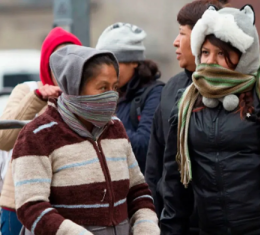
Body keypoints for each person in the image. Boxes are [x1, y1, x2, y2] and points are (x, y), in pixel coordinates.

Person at [160, 5, 260, 235]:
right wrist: (171, 229)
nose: (211, 61)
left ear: (243, 55)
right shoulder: (187, 103)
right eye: (205, 53)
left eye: (222, 54)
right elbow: (175, 181)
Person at [12, 45, 159, 235]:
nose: (111, 96)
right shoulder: (37, 135)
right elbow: (31, 207)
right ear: (75, 88)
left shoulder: (116, 128)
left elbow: (138, 190)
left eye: (115, 87)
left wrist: (146, 228)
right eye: (103, 87)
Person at [145, 0, 228, 219]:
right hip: (176, 218)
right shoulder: (171, 89)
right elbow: (155, 162)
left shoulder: (239, 91)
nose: (175, 42)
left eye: (182, 34)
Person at [0, 27, 82, 235]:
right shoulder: (27, 90)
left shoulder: (86, 98)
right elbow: (3, 139)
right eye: (58, 60)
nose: (65, 67)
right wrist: (37, 99)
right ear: (47, 64)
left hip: (70, 204)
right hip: (19, 204)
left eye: (72, 60)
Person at [96, 23, 164, 174]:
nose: (107, 71)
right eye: (102, 65)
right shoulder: (106, 93)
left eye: (114, 63)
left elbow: (145, 146)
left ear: (134, 61)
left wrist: (104, 120)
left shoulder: (155, 94)